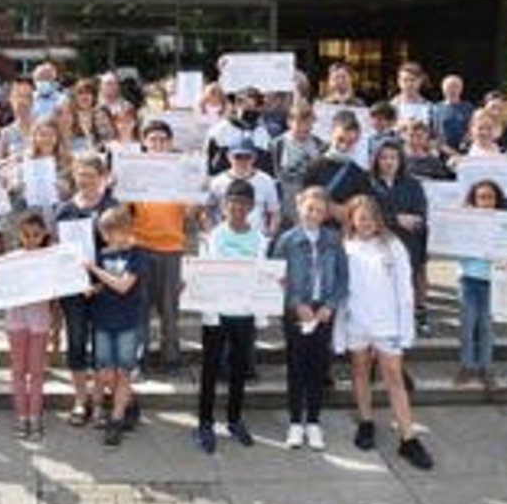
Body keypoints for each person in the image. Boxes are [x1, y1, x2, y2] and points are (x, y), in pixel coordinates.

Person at [337, 195, 434, 470]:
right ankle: (366, 422)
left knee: (394, 378)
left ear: (377, 219)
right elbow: (342, 291)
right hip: (357, 322)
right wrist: (341, 329)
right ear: (352, 220)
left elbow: (405, 290)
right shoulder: (345, 247)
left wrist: (406, 328)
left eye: (370, 216)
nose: (365, 222)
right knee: (359, 372)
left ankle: (408, 437)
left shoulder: (393, 247)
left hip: (387, 324)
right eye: (360, 217)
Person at [270, 186, 348, 451]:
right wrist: (296, 303)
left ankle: (313, 421)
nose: (314, 213)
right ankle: (295, 422)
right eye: (309, 208)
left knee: (319, 366)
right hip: (297, 311)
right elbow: (277, 277)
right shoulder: (287, 240)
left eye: (319, 209)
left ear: (326, 213)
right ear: (299, 207)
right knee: (296, 365)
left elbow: (342, 277)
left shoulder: (334, 240)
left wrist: (330, 305)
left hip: (323, 311)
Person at [193, 180, 265, 454]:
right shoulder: (213, 237)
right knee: (210, 369)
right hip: (217, 313)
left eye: (243, 203)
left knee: (239, 369)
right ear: (224, 206)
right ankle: (204, 423)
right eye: (232, 202)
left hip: (244, 313)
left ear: (251, 207)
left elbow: (262, 275)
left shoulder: (259, 239)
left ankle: (234, 419)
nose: (237, 208)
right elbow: (203, 274)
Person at [54, 151, 119, 426]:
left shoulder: (113, 208)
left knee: (103, 349)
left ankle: (100, 400)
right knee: (77, 343)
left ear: (102, 177)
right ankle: (81, 400)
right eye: (81, 175)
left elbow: (119, 250)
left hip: (105, 288)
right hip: (74, 290)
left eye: (91, 176)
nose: (85, 181)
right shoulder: (64, 210)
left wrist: (100, 283)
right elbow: (59, 253)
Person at [130, 120, 192, 375]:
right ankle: (139, 357)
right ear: (144, 143)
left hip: (172, 248)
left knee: (169, 308)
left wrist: (197, 191)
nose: (157, 144)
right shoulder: (132, 172)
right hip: (141, 245)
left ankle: (171, 357)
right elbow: (124, 209)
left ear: (170, 143)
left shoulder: (182, 172)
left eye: (162, 139)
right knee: (140, 306)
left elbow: (191, 211)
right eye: (152, 139)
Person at [85, 205, 146, 447]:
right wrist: (93, 288)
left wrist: (96, 271)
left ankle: (117, 419)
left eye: (110, 232)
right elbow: (104, 285)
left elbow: (123, 286)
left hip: (127, 322)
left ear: (124, 229)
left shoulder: (136, 254)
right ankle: (129, 402)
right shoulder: (102, 254)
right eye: (103, 232)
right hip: (102, 320)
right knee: (105, 373)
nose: (105, 237)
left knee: (123, 371)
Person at [0, 212, 55, 441]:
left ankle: (35, 416)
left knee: (37, 372)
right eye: (27, 235)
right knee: (18, 370)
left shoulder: (50, 258)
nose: (31, 239)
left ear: (44, 235)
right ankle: (21, 416)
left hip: (40, 321)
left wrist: (58, 327)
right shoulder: (11, 259)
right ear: (19, 235)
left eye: (36, 235)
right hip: (16, 320)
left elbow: (57, 293)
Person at [369, 140, 431, 337]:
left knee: (403, 294)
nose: (388, 162)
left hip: (407, 245)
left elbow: (420, 213)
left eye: (393, 158)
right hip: (378, 245)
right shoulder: (368, 184)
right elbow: (366, 215)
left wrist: (412, 221)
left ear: (400, 160)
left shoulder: (413, 185)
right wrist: (395, 219)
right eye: (384, 157)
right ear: (376, 160)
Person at [453, 179, 506, 387]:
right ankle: (467, 365)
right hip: (469, 279)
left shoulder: (504, 223)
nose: (486, 201)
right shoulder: (466, 223)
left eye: (490, 197)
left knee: (486, 327)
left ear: (497, 200)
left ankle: (486, 368)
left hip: (492, 281)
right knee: (467, 326)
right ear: (474, 201)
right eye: (481, 197)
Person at [302, 110, 373, 227]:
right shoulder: (313, 166)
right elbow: (303, 200)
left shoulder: (360, 173)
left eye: (350, 142)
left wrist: (349, 211)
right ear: (331, 134)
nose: (344, 146)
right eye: (340, 139)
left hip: (345, 233)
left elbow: (365, 205)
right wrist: (331, 208)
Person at [207, 137, 281, 237]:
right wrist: (212, 234)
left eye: (247, 157)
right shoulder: (217, 182)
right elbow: (208, 211)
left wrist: (270, 235)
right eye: (238, 156)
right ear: (229, 157)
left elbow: (274, 212)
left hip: (257, 238)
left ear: (254, 157)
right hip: (225, 238)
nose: (242, 161)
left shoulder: (266, 181)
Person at [270, 101, 326, 227]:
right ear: (289, 122)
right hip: (285, 206)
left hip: (312, 206)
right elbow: (272, 175)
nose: (304, 127)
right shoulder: (277, 144)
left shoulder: (320, 145)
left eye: (308, 122)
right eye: (299, 122)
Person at [205, 87, 271, 177]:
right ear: (236, 106)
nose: (250, 110)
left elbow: (266, 163)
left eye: (254, 106)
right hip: (226, 181)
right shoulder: (220, 130)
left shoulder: (262, 132)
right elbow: (208, 158)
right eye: (245, 105)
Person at [0, 76, 36, 162]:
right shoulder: (6, 133)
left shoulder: (44, 128)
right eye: (18, 96)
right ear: (11, 99)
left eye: (27, 96)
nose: (23, 101)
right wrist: (11, 161)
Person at [431, 74, 474, 152]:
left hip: (464, 149)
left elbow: (472, 128)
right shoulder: (436, 108)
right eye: (449, 87)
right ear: (443, 89)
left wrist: (466, 142)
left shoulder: (468, 107)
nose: (452, 90)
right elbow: (434, 131)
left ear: (461, 88)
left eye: (456, 86)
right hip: (443, 150)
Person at [390, 62, 432, 127]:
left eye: (412, 80)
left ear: (420, 81)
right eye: (405, 80)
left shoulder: (430, 108)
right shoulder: (391, 107)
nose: (409, 84)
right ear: (398, 82)